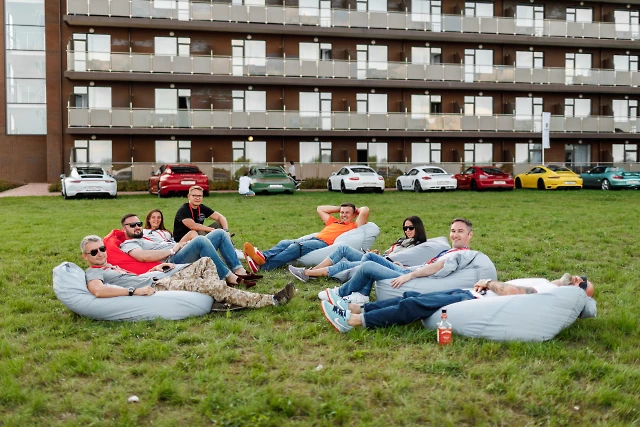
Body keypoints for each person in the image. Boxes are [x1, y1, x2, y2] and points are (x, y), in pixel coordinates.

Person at [320, 274, 595, 332]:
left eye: (582, 285)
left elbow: (512, 292)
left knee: (412, 307)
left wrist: (488, 282)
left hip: (471, 298)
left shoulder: (546, 294)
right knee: (411, 298)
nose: (578, 279)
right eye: (581, 277)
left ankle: (353, 321)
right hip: (471, 292)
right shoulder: (550, 284)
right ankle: (355, 308)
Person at [81, 235, 295, 308]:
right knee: (209, 285)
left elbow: (132, 277)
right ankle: (271, 300)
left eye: (102, 249)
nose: (100, 253)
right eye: (94, 252)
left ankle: (219, 294)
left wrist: (155, 268)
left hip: (157, 275)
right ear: (85, 256)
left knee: (206, 261)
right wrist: (134, 291)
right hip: (158, 285)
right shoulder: (93, 272)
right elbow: (98, 291)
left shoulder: (109, 266)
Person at [318, 218, 474, 304]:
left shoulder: (461, 254)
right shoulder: (450, 250)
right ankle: (361, 294)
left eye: (460, 231)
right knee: (370, 257)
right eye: (453, 231)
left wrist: (409, 274)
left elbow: (437, 268)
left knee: (368, 266)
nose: (455, 235)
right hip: (408, 269)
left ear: (470, 235)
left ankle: (341, 292)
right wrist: (406, 267)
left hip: (412, 276)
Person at [119, 213, 260, 288]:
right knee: (200, 240)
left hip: (179, 249)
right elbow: (143, 256)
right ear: (124, 228)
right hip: (173, 260)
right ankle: (229, 277)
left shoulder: (147, 237)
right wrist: (172, 250)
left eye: (138, 224)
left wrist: (181, 244)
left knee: (220, 233)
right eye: (132, 225)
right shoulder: (128, 243)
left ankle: (238, 270)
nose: (137, 227)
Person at [288, 216, 427, 283]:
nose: (407, 230)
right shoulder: (402, 241)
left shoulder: (418, 246)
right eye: (405, 228)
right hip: (378, 259)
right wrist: (374, 253)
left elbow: (405, 262)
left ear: (418, 228)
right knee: (343, 248)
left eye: (410, 228)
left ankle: (307, 273)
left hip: (384, 265)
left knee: (344, 265)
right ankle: (313, 271)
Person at [243, 203, 370, 273]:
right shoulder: (334, 221)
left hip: (323, 243)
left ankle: (265, 266)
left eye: (347, 213)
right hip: (315, 238)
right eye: (342, 212)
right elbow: (320, 208)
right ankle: (263, 257)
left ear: (354, 215)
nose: (343, 215)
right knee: (284, 242)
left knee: (295, 247)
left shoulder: (354, 225)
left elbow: (365, 210)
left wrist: (355, 209)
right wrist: (340, 208)